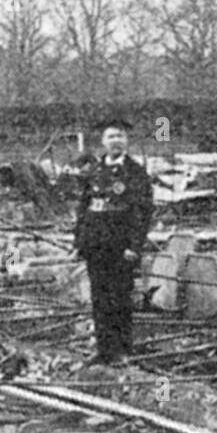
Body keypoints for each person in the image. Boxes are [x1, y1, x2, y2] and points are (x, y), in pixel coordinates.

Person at [74, 121, 154, 363]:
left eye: (120, 136)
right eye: (111, 136)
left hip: (121, 246)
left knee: (120, 297)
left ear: (126, 140)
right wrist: (79, 242)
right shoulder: (95, 171)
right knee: (99, 297)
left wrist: (135, 246)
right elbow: (84, 208)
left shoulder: (135, 172)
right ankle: (103, 349)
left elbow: (143, 211)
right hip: (96, 245)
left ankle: (121, 350)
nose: (116, 140)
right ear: (103, 142)